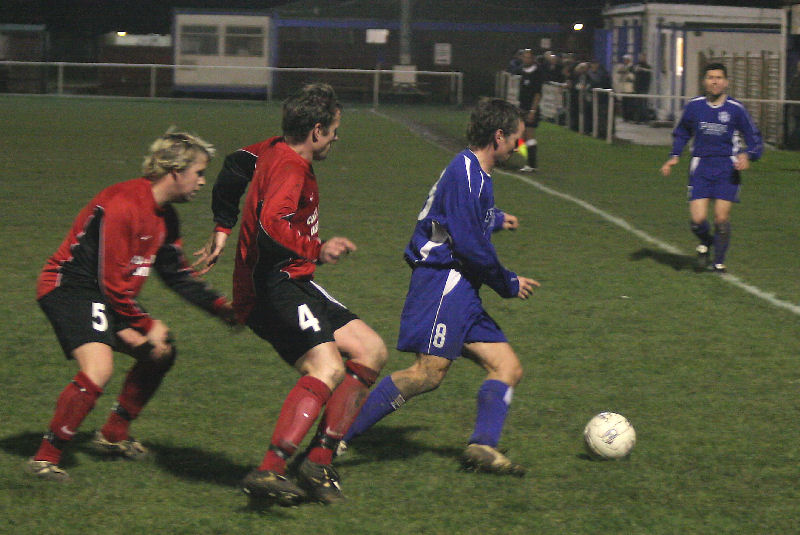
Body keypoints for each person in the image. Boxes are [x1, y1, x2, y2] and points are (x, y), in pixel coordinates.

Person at [192, 83, 388, 505]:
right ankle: (270, 470)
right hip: (271, 286)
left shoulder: (270, 148)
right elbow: (270, 223)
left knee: (371, 349)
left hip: (294, 279)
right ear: (316, 130)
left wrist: (222, 227)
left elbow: (233, 165)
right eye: (334, 129)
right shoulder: (291, 165)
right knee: (326, 366)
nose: (336, 137)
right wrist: (317, 248)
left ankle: (317, 465)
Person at [338, 97, 539, 476]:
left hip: (462, 287)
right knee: (427, 372)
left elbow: (456, 218)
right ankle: (336, 435)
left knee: (507, 367)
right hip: (444, 280)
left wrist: (495, 218)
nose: (518, 145)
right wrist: (509, 282)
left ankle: (481, 446)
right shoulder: (468, 174)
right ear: (498, 136)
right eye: (515, 138)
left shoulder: (473, 172)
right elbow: (470, 247)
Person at [27, 131, 236, 482]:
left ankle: (112, 435)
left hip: (104, 295)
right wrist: (144, 323)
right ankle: (45, 458)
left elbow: (176, 274)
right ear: (175, 170)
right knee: (99, 367)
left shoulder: (165, 217)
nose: (202, 181)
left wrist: (220, 307)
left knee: (160, 352)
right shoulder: (124, 202)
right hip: (71, 287)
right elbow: (109, 283)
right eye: (198, 172)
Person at [660, 63, 763, 273]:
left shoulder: (736, 109)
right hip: (701, 166)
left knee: (721, 219)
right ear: (704, 81)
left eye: (718, 77)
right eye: (710, 77)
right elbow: (682, 132)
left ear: (726, 82)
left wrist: (748, 155)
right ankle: (706, 242)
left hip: (727, 168)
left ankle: (718, 263)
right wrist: (674, 155)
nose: (714, 81)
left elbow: (755, 140)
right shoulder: (695, 106)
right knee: (697, 221)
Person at [517, 49, 544, 172]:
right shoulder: (523, 71)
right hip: (523, 107)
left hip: (530, 109)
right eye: (524, 57)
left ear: (532, 58)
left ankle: (531, 164)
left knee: (529, 135)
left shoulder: (537, 72)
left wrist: (533, 110)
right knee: (521, 137)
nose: (525, 59)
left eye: (528, 57)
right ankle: (527, 160)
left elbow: (538, 93)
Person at [633, 52, 653, 123]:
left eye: (642, 57)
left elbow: (649, 74)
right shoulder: (637, 65)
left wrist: (642, 70)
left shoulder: (647, 67)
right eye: (640, 57)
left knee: (643, 103)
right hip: (637, 87)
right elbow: (633, 72)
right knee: (638, 104)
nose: (641, 58)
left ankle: (645, 118)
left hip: (644, 87)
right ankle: (637, 118)